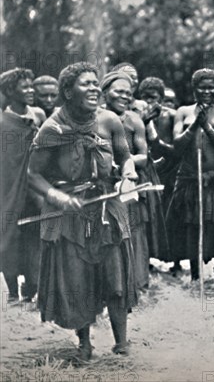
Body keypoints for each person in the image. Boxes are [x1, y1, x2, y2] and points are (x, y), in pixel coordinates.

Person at [28, 62, 138, 359]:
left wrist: (129, 176)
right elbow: (33, 174)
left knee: (114, 275)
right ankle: (85, 343)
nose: (93, 89)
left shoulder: (110, 120)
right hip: (70, 213)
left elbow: (125, 157)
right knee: (77, 278)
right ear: (67, 92)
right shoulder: (52, 129)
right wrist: (59, 198)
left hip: (106, 208)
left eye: (95, 83)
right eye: (85, 84)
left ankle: (122, 341)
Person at [167, 69, 214, 280]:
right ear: (194, 89)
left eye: (210, 88)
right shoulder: (183, 112)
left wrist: (207, 126)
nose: (206, 91)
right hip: (190, 176)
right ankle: (196, 275)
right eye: (201, 87)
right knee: (191, 224)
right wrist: (195, 125)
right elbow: (177, 145)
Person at [101, 71, 151, 290]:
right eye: (118, 91)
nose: (124, 96)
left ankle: (135, 281)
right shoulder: (94, 118)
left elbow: (143, 155)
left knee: (133, 229)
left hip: (128, 183)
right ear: (104, 93)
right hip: (101, 186)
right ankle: (110, 284)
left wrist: (123, 162)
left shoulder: (134, 120)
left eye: (128, 93)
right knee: (107, 232)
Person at [0, 68, 45, 303]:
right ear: (9, 90)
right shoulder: (1, 120)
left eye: (31, 86)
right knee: (10, 235)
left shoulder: (38, 115)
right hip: (7, 187)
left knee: (34, 233)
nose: (30, 91)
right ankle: (12, 291)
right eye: (24, 87)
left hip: (33, 185)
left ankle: (32, 284)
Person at [137, 77, 171, 263]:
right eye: (145, 97)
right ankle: (147, 258)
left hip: (168, 169)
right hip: (148, 170)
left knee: (166, 213)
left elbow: (172, 145)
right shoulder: (136, 114)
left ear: (161, 97)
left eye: (153, 97)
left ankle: (170, 258)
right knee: (148, 214)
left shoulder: (169, 116)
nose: (149, 102)